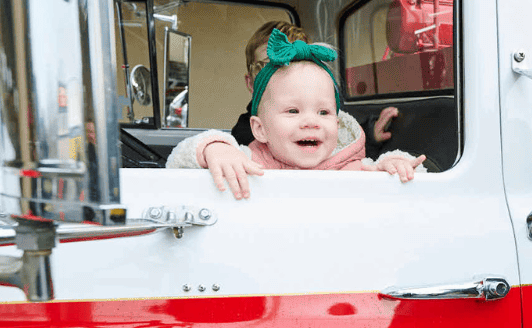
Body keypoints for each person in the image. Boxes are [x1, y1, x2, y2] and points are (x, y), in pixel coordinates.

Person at [166, 28, 424, 199]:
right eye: (293, 111)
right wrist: (215, 149)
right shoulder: (250, 162)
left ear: (337, 122)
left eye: (323, 112)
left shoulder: (352, 167)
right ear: (259, 129)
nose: (311, 121)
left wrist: (396, 164)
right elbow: (175, 166)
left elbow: (416, 180)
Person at [231, 20, 398, 146]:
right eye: (268, 67)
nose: (283, 77)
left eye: (295, 66)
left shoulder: (327, 116)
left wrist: (369, 136)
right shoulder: (244, 133)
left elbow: (344, 147)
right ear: (251, 83)